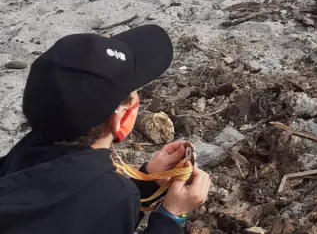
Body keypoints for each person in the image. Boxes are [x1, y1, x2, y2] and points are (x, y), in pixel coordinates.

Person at [0, 25, 211, 233]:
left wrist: (147, 179)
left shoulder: (23, 154)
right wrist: (172, 217)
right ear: (118, 118)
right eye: (133, 92)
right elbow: (98, 206)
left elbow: (80, 213)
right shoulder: (114, 196)